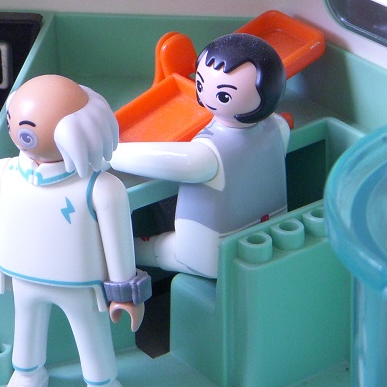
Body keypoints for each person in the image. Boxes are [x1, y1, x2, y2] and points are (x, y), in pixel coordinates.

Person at [0, 75, 150, 387]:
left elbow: (118, 244)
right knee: (26, 326)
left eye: (28, 127)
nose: (17, 131)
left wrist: (124, 292)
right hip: (22, 275)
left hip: (79, 283)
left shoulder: (101, 188)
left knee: (89, 332)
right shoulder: (0, 175)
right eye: (13, 120)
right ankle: (27, 374)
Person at [110, 33, 289, 279]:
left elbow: (160, 159)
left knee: (128, 249)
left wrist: (109, 152)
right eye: (201, 83)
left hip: (208, 253)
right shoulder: (278, 126)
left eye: (223, 95)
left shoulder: (206, 155)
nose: (203, 93)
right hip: (270, 232)